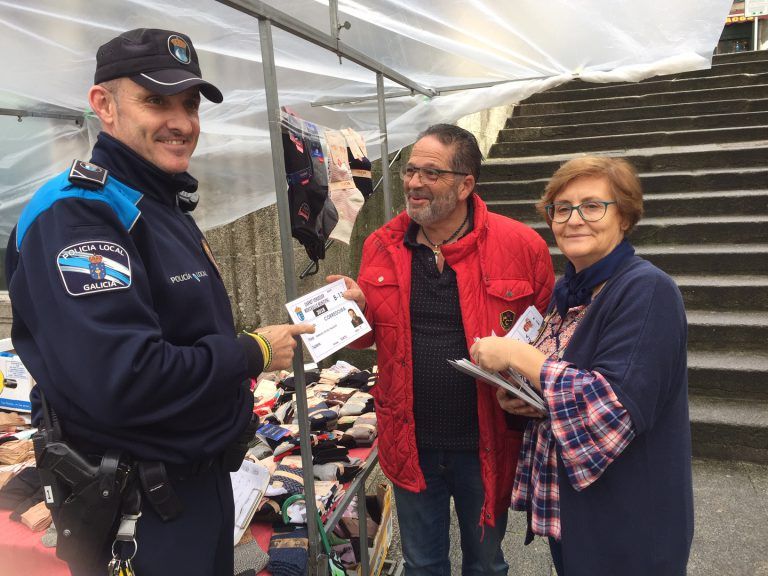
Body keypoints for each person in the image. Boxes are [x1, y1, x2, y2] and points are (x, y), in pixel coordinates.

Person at [4, 28, 312, 576]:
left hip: (199, 489)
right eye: (155, 101)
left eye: (189, 105)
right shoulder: (77, 215)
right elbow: (126, 377)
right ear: (104, 105)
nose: (182, 122)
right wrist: (252, 351)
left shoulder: (157, 203)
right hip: (143, 509)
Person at [329, 124, 554, 575]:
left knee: (487, 563)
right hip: (410, 439)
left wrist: (533, 392)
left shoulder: (520, 245)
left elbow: (549, 337)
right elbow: (370, 337)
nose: (413, 182)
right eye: (411, 170)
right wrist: (351, 311)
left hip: (486, 440)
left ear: (465, 183)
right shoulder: (381, 245)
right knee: (423, 564)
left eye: (431, 173)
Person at [470, 156, 693, 575]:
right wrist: (530, 400)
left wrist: (518, 355)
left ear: (625, 216)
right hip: (575, 513)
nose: (574, 219)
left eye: (592, 206)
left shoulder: (648, 291)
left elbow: (612, 407)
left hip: (629, 518)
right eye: (562, 207)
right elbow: (568, 383)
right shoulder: (570, 290)